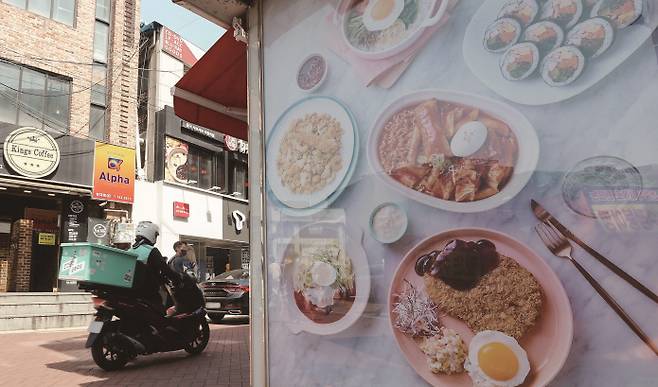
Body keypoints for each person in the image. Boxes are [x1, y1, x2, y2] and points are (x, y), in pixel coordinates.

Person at [130, 221, 181, 311]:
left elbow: (150, 271)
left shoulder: (131, 250)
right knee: (160, 311)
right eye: (156, 235)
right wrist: (179, 278)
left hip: (132, 291)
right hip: (147, 292)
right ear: (150, 234)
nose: (156, 238)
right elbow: (165, 269)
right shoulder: (151, 251)